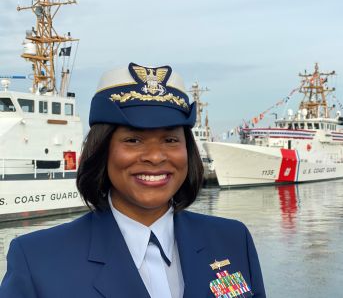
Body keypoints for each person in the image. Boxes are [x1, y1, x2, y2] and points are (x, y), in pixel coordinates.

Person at [0, 63, 266, 298]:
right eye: (133, 140)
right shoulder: (37, 259)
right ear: (102, 150)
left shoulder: (232, 239)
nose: (154, 157)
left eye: (171, 139)